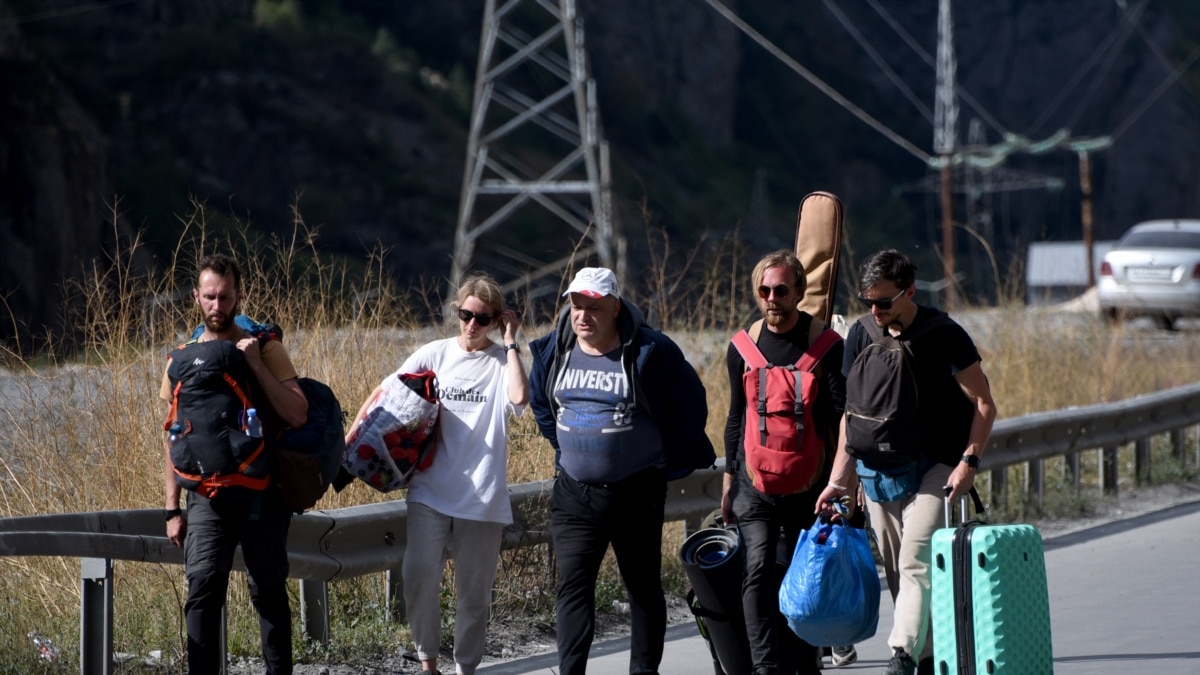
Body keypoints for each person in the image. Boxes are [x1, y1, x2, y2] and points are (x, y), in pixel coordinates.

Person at [815, 249, 997, 675]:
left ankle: (900, 656)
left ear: (909, 291)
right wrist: (839, 480)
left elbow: (985, 403)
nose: (875, 311)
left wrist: (969, 461)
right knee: (900, 574)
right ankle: (927, 658)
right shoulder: (859, 335)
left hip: (936, 466)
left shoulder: (944, 334)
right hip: (876, 473)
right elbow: (850, 416)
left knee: (916, 560)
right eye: (867, 302)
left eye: (884, 302)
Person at [529, 267, 714, 675]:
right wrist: (565, 446)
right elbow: (540, 403)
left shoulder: (651, 351)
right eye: (577, 305)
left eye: (594, 307)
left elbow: (691, 406)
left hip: (636, 492)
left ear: (615, 306)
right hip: (575, 493)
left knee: (643, 589)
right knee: (573, 590)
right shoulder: (555, 348)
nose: (583, 315)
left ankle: (644, 672)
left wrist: (666, 459)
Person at [347, 274, 529, 675]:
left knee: (473, 595)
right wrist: (348, 444)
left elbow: (519, 398)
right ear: (457, 312)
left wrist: (512, 340)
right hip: (429, 489)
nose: (471, 326)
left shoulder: (502, 362)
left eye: (482, 319)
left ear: (497, 320)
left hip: (481, 496)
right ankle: (428, 663)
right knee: (418, 578)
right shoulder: (436, 353)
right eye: (465, 315)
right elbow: (385, 396)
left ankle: (466, 666)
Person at [161, 253, 309, 675]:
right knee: (203, 590)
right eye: (209, 297)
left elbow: (296, 413)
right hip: (206, 496)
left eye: (225, 297)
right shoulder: (182, 359)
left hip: (261, 494)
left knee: (267, 591)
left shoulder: (266, 347)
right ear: (196, 297)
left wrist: (256, 365)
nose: (216, 306)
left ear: (238, 296)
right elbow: (172, 434)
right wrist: (172, 508)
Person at [720, 250, 846, 675]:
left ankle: (804, 661)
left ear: (799, 292)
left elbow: (838, 419)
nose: (771, 298)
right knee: (757, 566)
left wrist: (843, 483)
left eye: (780, 290)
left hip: (808, 488)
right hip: (754, 486)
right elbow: (736, 417)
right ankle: (765, 667)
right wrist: (729, 483)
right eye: (764, 290)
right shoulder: (742, 349)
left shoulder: (827, 346)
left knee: (798, 574)